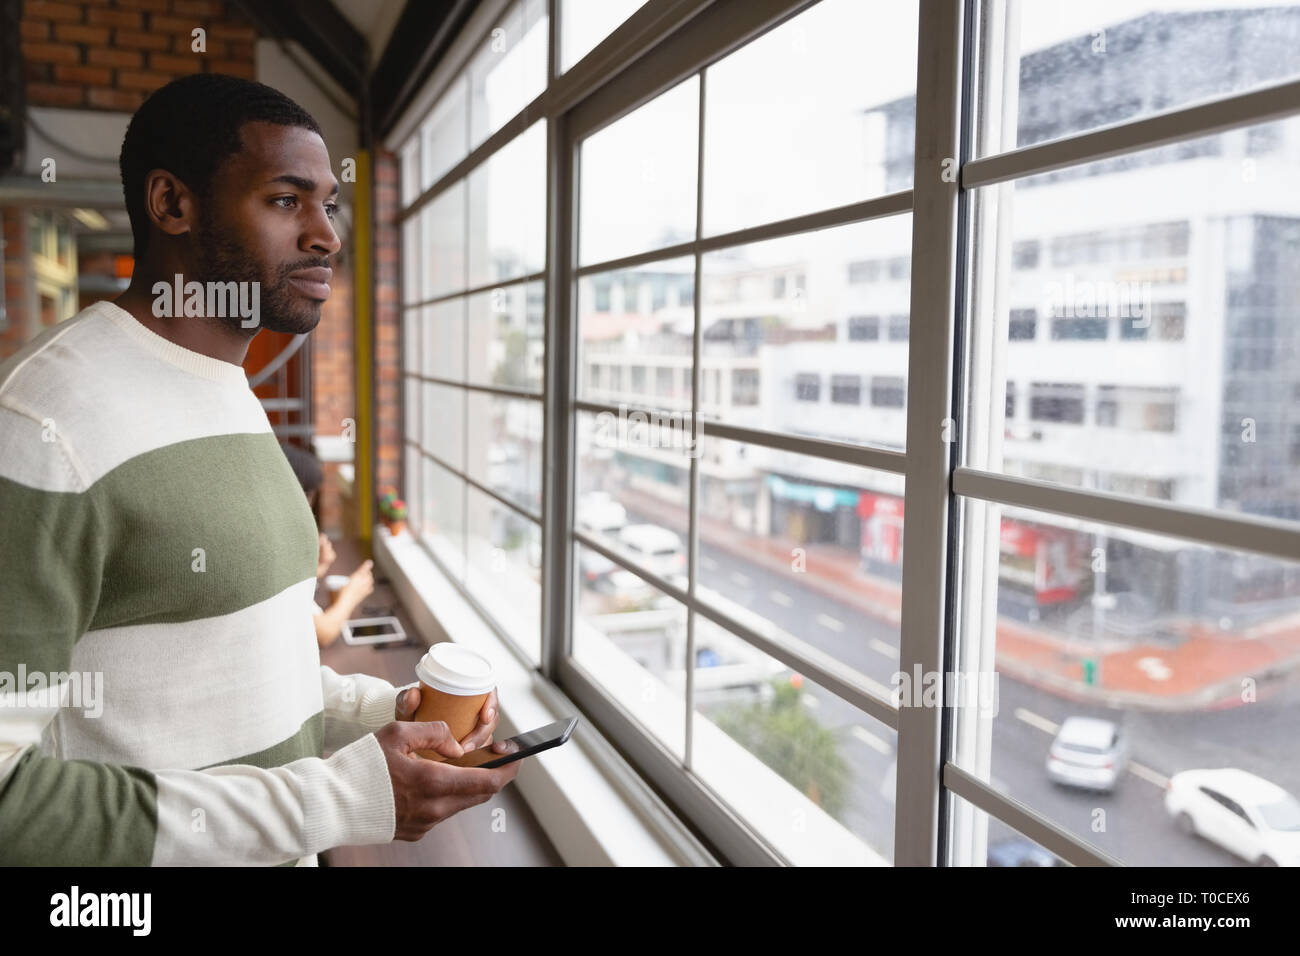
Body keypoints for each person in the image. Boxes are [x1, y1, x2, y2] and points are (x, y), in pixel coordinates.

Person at [0, 73, 518, 866]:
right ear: (172, 204)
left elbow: (241, 672)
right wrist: (333, 801)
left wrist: (388, 710)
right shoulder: (41, 422)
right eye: (286, 201)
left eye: (329, 205)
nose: (326, 236)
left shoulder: (223, 384)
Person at [279, 440, 375, 648]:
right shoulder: (280, 547)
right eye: (307, 494)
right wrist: (351, 594)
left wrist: (315, 571)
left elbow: (292, 602)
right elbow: (322, 633)